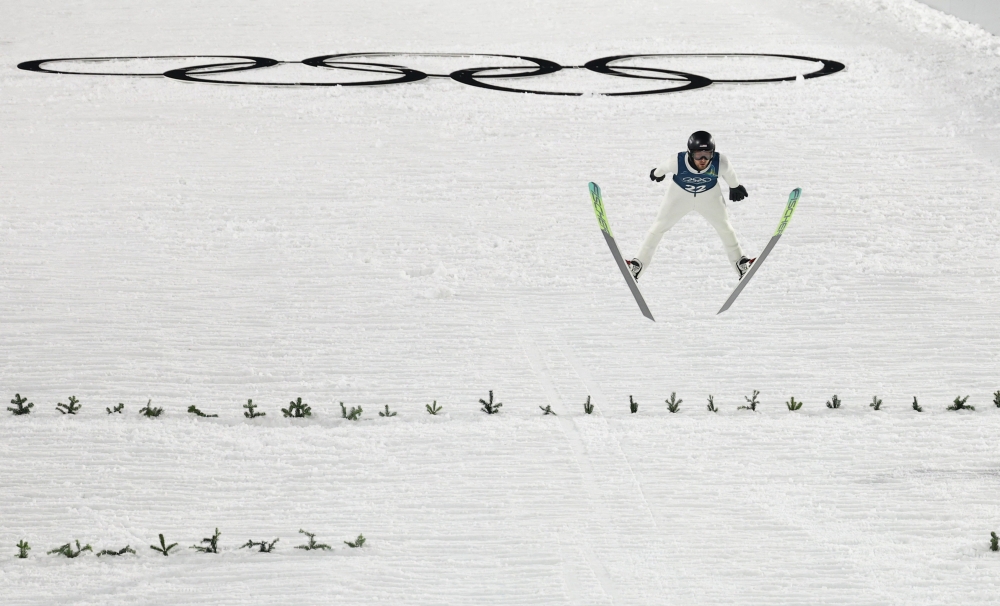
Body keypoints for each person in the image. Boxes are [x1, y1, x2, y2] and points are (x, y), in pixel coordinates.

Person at [627, 131, 753, 282]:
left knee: (725, 227)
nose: (703, 159)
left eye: (707, 154)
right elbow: (663, 167)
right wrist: (657, 173)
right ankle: (638, 265)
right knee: (659, 226)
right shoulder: (677, 161)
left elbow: (730, 173)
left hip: (709, 195)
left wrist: (735, 186)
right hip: (680, 195)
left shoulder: (721, 162)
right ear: (689, 153)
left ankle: (740, 264)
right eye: (698, 154)